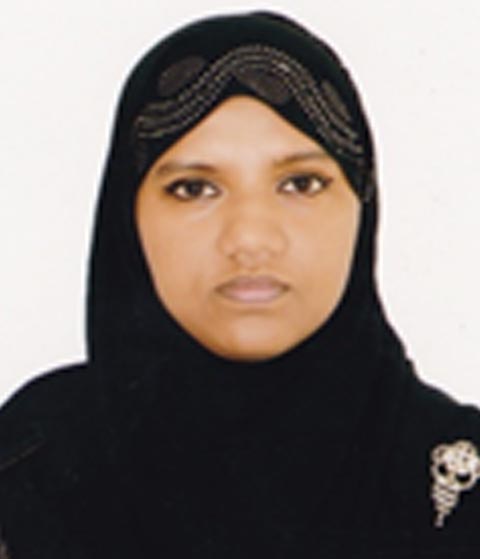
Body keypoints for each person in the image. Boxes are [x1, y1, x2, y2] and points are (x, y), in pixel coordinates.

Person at [0, 10, 479, 558]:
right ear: (126, 219)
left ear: (362, 209)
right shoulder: (32, 467)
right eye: (194, 189)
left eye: (301, 183)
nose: (250, 239)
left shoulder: (457, 488)